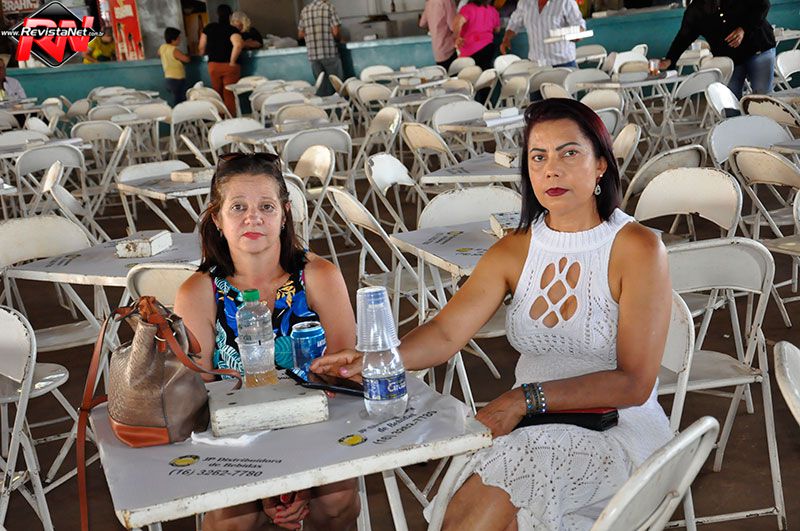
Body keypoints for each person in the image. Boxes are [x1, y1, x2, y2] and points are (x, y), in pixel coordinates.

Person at [313, 98, 674, 529]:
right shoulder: (515, 249)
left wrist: (524, 398)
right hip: (530, 424)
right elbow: (446, 332)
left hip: (616, 426)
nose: (551, 170)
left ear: (600, 165)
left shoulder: (637, 248)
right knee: (482, 507)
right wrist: (379, 359)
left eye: (569, 153)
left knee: (489, 502)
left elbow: (634, 383)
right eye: (538, 157)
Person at [174, 153, 360, 531]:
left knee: (336, 501)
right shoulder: (198, 292)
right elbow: (200, 394)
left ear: (285, 214)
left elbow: (345, 372)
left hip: (317, 425)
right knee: (231, 520)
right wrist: (265, 487)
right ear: (217, 218)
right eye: (238, 207)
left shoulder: (319, 276)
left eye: (266, 206)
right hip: (238, 437)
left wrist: (300, 481)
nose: (253, 218)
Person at [659, 0, 776, 98]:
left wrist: (743, 29)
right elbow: (684, 36)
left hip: (758, 49)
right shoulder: (696, 9)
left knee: (762, 99)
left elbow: (763, 5)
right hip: (729, 59)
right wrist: (670, 59)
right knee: (729, 103)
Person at [500, 0, 586, 67]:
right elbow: (514, 24)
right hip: (536, 65)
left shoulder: (566, 2)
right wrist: (506, 39)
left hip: (563, 64)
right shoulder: (524, 3)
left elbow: (579, 26)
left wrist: (577, 34)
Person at [199, 4, 243, 116]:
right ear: (230, 16)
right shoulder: (232, 29)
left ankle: (220, 118)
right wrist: (232, 61)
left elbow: (201, 47)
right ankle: (231, 119)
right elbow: (238, 45)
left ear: (217, 14)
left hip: (213, 65)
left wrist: (202, 54)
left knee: (217, 93)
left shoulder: (209, 28)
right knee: (229, 93)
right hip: (229, 66)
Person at [298, 0, 343, 97]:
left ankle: (324, 106)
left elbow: (300, 34)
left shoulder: (305, 10)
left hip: (313, 56)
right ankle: (338, 106)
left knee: (321, 88)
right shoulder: (329, 8)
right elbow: (336, 32)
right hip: (329, 53)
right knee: (337, 86)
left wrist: (311, 35)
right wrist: (340, 39)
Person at [453, 0, 501, 71]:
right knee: (484, 73)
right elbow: (497, 30)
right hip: (488, 48)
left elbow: (458, 22)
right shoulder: (493, 11)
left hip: (470, 50)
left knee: (468, 75)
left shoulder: (467, 8)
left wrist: (456, 37)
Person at [420, 0, 458, 72]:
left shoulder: (429, 2)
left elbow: (422, 23)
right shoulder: (446, 1)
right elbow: (453, 26)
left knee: (444, 75)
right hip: (448, 49)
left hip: (437, 51)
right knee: (454, 76)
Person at [158, 27, 190, 106]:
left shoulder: (162, 47)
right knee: (180, 101)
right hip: (177, 79)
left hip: (168, 78)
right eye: (178, 38)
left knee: (176, 99)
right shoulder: (174, 50)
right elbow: (186, 59)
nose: (180, 40)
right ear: (173, 39)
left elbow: (158, 54)